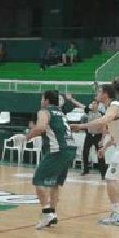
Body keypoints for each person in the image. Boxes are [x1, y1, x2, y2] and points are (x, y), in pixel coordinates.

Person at [72, 83, 119, 226]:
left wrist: (81, 126)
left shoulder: (114, 107)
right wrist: (105, 147)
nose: (96, 93)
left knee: (110, 177)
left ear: (105, 94)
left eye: (99, 91)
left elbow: (104, 121)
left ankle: (116, 214)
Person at [25, 90, 77, 230]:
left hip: (58, 150)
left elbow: (41, 127)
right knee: (55, 183)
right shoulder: (60, 113)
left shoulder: (44, 111)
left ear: (46, 100)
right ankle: (52, 213)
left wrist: (27, 137)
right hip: (70, 149)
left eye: (42, 98)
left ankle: (46, 213)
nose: (41, 101)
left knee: (38, 179)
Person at [81, 100, 107, 178]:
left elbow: (104, 128)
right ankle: (86, 170)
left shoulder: (101, 114)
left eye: (95, 103)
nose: (93, 105)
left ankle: (103, 173)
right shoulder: (88, 112)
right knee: (85, 152)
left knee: (100, 154)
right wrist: (72, 100)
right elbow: (81, 105)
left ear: (98, 105)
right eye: (92, 103)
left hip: (97, 136)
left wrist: (102, 140)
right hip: (89, 135)